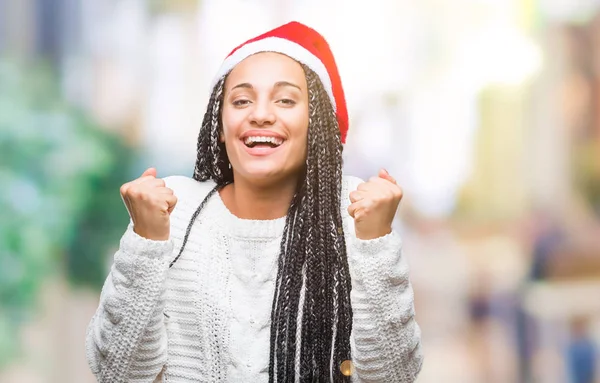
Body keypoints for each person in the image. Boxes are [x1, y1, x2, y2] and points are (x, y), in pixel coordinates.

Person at [85, 21, 423, 383]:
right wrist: (146, 241)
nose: (260, 114)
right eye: (242, 100)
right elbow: (116, 373)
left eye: (285, 100)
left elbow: (394, 377)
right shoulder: (173, 213)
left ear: (317, 123)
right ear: (219, 123)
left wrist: (375, 244)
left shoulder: (353, 217)